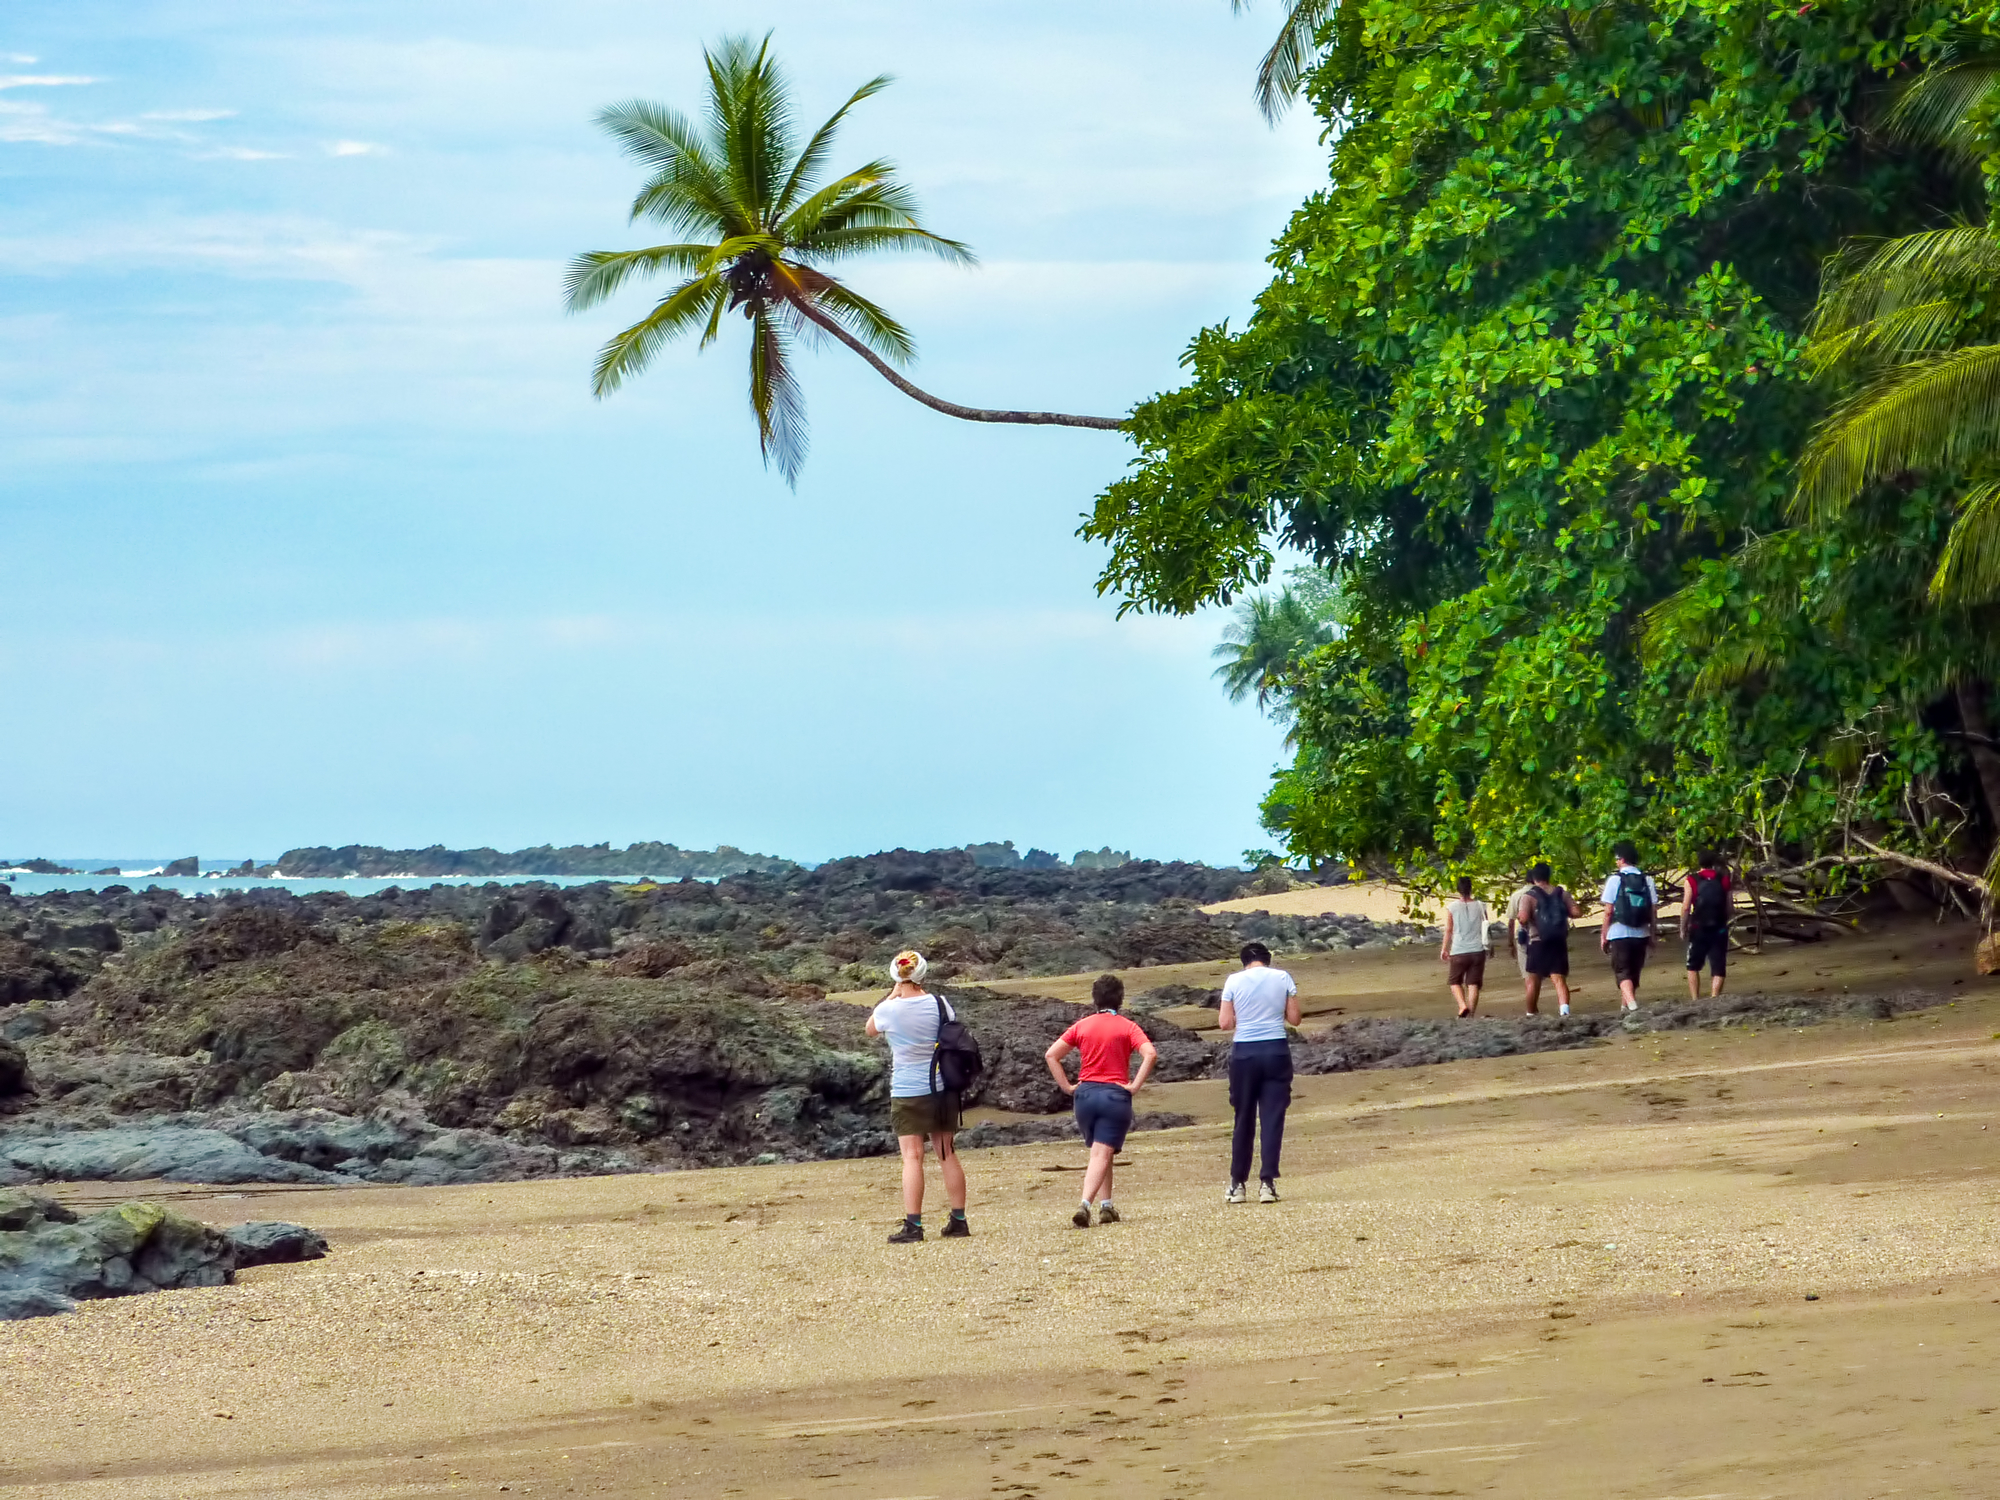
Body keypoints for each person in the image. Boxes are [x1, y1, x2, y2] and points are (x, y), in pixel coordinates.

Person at [866, 950, 969, 1244]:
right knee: (946, 1152)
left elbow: (870, 1029)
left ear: (896, 976)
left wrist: (892, 994)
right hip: (941, 1086)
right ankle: (958, 1220)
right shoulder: (940, 1003)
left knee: (912, 1157)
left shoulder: (888, 1010)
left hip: (907, 1089)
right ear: (922, 973)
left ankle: (914, 1224)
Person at [1044, 974, 1159, 1227]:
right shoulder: (1128, 1026)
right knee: (1101, 1153)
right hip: (1114, 1096)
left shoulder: (1082, 1025)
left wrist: (1067, 1087)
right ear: (1120, 998)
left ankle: (1107, 1206)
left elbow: (1052, 1055)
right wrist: (1135, 1086)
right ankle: (1085, 1204)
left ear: (1095, 999)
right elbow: (1150, 1053)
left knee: (1102, 1150)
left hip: (1085, 1096)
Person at [1217, 941, 1300, 1204]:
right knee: (1272, 1118)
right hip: (1276, 1049)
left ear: (1244, 962)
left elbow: (1225, 1023)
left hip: (1245, 1053)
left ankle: (1237, 1183)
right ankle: (1267, 1183)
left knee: (1244, 1117)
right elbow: (1295, 1018)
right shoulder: (1283, 977)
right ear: (1268, 960)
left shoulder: (1233, 981)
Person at [1599, 840, 1661, 1012]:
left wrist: (1604, 935)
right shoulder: (1647, 879)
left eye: (1617, 859)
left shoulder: (1615, 879)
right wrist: (1652, 934)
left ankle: (1632, 1005)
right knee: (1634, 971)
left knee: (1622, 971)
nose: (1616, 862)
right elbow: (1653, 910)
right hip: (1641, 932)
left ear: (1621, 859)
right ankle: (1624, 1008)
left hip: (1619, 932)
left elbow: (1608, 911)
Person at [1520, 863, 1580, 1016]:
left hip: (1538, 941)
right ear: (1549, 875)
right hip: (1558, 940)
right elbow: (1576, 912)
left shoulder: (1528, 896)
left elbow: (1523, 917)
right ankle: (1564, 1011)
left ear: (1533, 878)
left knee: (1533, 979)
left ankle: (1531, 1013)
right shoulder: (1562, 894)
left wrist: (1524, 921)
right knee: (1559, 979)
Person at [1439, 875, 1492, 1018]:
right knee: (1473, 983)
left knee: (1454, 981)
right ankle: (1471, 1014)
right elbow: (1486, 927)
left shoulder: (1452, 907)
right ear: (1471, 888)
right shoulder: (1481, 905)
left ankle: (1462, 1006)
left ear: (1458, 889)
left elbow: (1449, 930)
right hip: (1477, 950)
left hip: (1459, 950)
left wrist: (1444, 948)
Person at [1683, 851, 1733, 1000]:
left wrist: (1683, 927)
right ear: (1714, 862)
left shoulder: (1692, 880)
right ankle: (1714, 997)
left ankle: (1695, 999)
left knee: (1692, 966)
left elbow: (1686, 907)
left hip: (1699, 928)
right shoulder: (1723, 879)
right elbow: (1729, 906)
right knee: (1718, 966)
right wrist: (1726, 920)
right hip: (1719, 928)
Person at [1503, 876, 1539, 1005]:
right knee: (1538, 976)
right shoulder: (1544, 893)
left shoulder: (1516, 895)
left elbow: (1511, 922)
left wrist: (1510, 942)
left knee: (1528, 976)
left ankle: (1531, 1009)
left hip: (1524, 937)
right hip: (1542, 936)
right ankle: (1534, 1007)